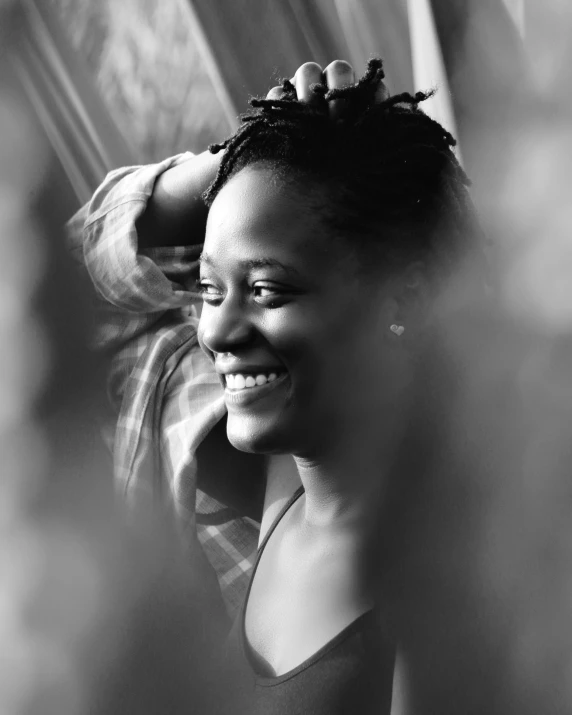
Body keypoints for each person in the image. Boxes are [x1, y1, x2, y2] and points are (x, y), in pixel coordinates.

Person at [69, 57, 483, 712]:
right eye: (210, 289)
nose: (217, 330)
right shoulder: (284, 484)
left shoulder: (439, 592)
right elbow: (61, 315)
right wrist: (237, 156)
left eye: (265, 289)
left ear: (397, 296)